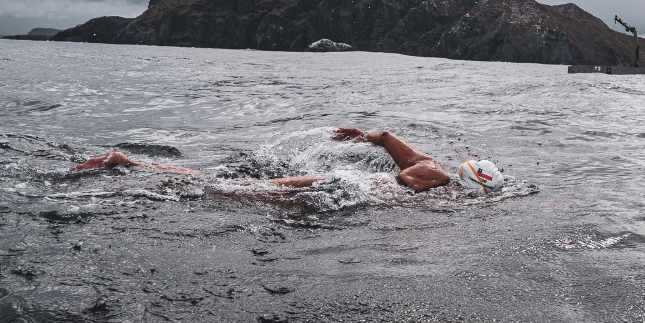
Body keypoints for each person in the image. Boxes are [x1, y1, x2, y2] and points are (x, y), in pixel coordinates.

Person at [74, 127, 504, 194]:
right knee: (228, 189)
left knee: (230, 186)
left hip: (343, 186)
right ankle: (131, 166)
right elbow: (393, 145)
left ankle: (131, 165)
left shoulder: (434, 170)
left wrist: (362, 135)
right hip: (342, 187)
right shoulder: (435, 177)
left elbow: (386, 137)